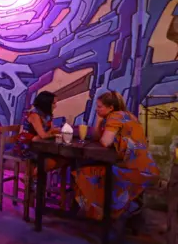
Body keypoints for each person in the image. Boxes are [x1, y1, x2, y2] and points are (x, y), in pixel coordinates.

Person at [74, 91, 159, 221]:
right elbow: (97, 137)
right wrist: (99, 120)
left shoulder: (115, 117)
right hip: (145, 167)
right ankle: (111, 211)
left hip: (134, 169)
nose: (96, 109)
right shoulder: (126, 115)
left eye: (99, 106)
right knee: (94, 169)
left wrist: (100, 121)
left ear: (110, 108)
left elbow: (105, 141)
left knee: (85, 172)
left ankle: (109, 213)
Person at [13, 91, 61, 170]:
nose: (55, 106)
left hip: (39, 144)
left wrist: (55, 131)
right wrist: (53, 131)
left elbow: (51, 131)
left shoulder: (48, 114)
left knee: (60, 158)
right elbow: (43, 135)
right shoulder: (34, 115)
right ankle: (33, 178)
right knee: (49, 159)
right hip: (27, 146)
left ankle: (34, 177)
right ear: (46, 103)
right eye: (53, 103)